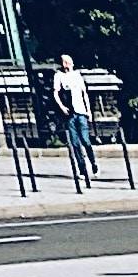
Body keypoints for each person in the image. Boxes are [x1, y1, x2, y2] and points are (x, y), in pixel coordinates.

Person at [46, 52, 96, 188]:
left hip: (81, 112)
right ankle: (81, 168)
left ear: (72, 63)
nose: (65, 64)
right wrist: (62, 107)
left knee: (85, 140)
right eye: (63, 62)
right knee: (75, 143)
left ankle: (93, 162)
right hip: (70, 114)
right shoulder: (59, 76)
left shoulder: (77, 75)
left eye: (67, 62)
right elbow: (55, 92)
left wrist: (89, 111)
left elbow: (84, 93)